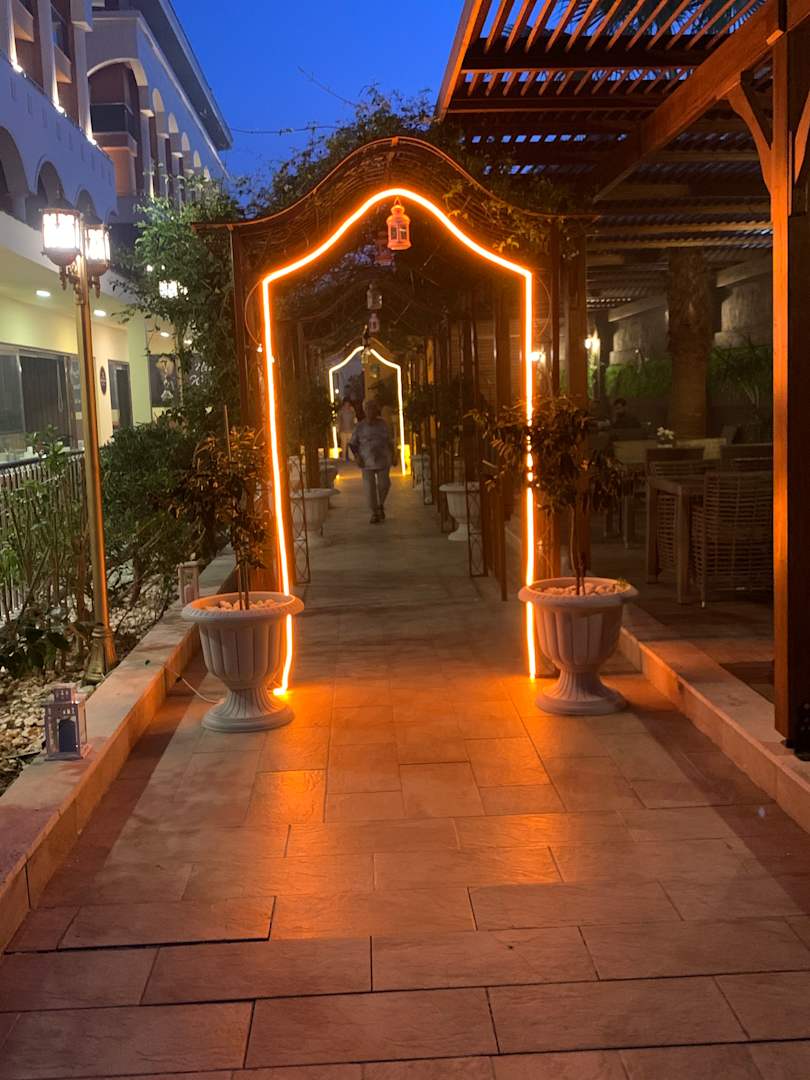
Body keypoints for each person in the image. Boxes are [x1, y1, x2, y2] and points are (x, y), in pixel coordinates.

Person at [350, 399, 394, 524]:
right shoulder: (360, 426)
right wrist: (357, 456)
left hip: (382, 459)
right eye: (368, 409)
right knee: (369, 488)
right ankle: (374, 512)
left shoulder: (383, 424)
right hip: (366, 460)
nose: (371, 411)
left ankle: (380, 505)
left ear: (376, 410)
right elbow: (353, 444)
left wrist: (394, 455)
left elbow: (390, 441)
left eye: (373, 408)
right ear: (364, 411)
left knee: (384, 484)